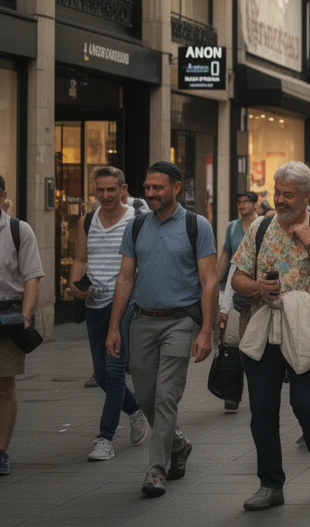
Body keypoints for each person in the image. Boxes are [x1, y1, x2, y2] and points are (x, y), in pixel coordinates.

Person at [228, 162, 310, 509]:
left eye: (288, 194)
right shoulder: (260, 228)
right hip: (262, 328)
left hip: (306, 329)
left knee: (307, 404)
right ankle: (270, 484)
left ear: (307, 196)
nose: (279, 199)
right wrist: (256, 286)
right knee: (262, 411)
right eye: (277, 192)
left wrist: (309, 243)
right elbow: (237, 279)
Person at [106, 161, 217, 497]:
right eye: (148, 187)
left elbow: (209, 281)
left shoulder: (197, 226)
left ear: (176, 188)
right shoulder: (137, 227)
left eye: (158, 188)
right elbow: (125, 278)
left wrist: (206, 331)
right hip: (141, 320)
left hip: (181, 321)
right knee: (148, 396)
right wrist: (114, 327)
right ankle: (179, 443)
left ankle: (156, 469)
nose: (150, 193)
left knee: (167, 396)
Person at [68, 166, 148, 460]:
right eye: (100, 190)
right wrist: (74, 285)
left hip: (126, 304)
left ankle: (105, 438)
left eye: (111, 190)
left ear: (123, 190)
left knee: (114, 372)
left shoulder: (137, 221)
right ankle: (135, 409)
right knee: (101, 376)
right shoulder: (87, 221)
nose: (105, 196)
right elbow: (80, 260)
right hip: (94, 304)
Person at [0, 174, 44, 476]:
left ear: (2, 194)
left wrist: (25, 317)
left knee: (4, 385)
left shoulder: (18, 230)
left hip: (7, 316)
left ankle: (1, 451)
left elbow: (31, 277)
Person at [219, 192, 262, 406]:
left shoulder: (262, 225)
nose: (242, 205)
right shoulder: (232, 228)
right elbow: (227, 258)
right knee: (233, 343)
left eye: (246, 202)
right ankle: (233, 392)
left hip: (260, 292)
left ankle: (259, 386)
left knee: (256, 344)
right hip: (236, 286)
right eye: (240, 202)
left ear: (255, 204)